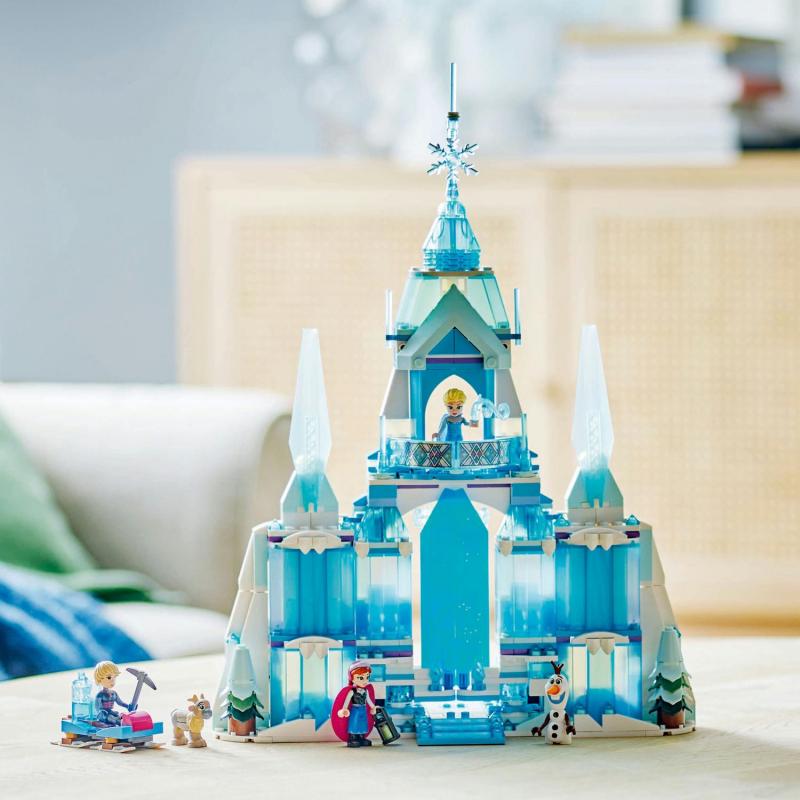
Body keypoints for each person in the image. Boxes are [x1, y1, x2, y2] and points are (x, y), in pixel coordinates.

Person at [331, 661, 378, 747]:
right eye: (361, 678)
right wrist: (344, 709)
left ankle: (362, 737)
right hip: (355, 710)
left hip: (363, 710)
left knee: (363, 723)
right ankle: (353, 738)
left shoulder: (366, 690)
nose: (365, 680)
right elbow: (346, 702)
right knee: (354, 723)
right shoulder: (351, 691)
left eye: (367, 677)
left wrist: (373, 707)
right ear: (352, 679)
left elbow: (369, 700)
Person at [93, 661, 134, 726]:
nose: (112, 680)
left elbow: (120, 703)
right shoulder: (100, 695)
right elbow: (97, 708)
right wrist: (103, 713)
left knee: (120, 716)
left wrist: (128, 706)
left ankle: (124, 723)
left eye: (114, 677)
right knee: (112, 718)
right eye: (109, 677)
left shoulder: (114, 693)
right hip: (103, 715)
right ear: (99, 679)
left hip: (110, 712)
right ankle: (119, 723)